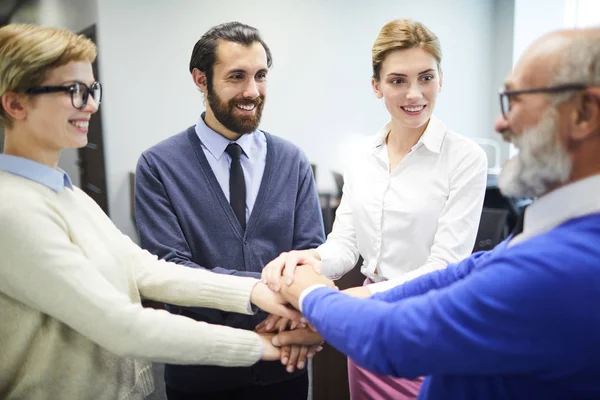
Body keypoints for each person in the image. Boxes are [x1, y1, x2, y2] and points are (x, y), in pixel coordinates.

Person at [275, 27, 600, 400]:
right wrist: (315, 271)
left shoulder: (562, 263)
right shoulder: (536, 240)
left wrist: (313, 300)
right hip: (368, 314)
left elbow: (406, 320)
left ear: (585, 113)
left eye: (516, 99)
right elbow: (467, 269)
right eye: (398, 80)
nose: (500, 123)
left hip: (401, 327)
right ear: (377, 85)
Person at [0, 24, 304, 400]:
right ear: (14, 104)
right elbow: (122, 325)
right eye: (75, 91)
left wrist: (257, 292)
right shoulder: (10, 209)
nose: (92, 105)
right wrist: (266, 347)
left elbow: (147, 270)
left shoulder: (69, 195)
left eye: (92, 90)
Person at [262, 19, 487, 399]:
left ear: (441, 79)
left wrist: (346, 303)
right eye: (398, 80)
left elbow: (445, 266)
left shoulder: (465, 157)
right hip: (366, 329)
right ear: (376, 85)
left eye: (426, 77)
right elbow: (346, 244)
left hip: (427, 324)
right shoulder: (361, 156)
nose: (414, 93)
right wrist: (307, 262)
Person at [134, 22, 325, 399]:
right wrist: (269, 303)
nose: (252, 92)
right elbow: (170, 270)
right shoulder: (158, 166)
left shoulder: (292, 161)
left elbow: (310, 257)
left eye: (260, 76)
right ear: (201, 80)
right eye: (237, 77)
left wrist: (292, 323)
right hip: (201, 372)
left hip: (284, 367)